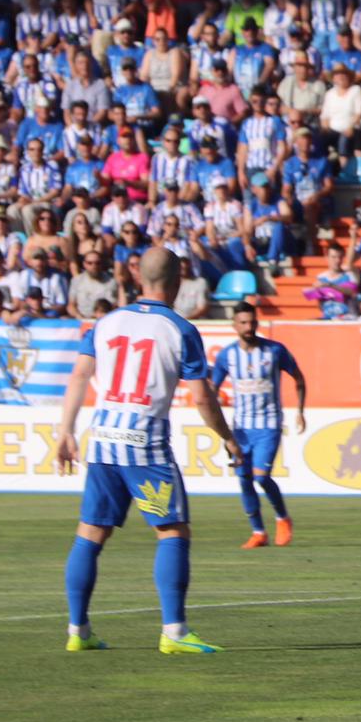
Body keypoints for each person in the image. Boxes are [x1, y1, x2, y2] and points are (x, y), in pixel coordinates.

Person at [54, 248, 241, 655]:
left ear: (138, 277)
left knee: (90, 532)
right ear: (178, 282)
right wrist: (227, 436)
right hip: (145, 444)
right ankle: (174, 632)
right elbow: (202, 399)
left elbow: (80, 375)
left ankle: (77, 630)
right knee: (172, 531)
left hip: (102, 438)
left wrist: (65, 432)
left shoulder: (106, 322)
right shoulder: (180, 329)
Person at [209, 302, 307, 549]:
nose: (248, 327)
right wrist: (219, 423)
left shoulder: (274, 351)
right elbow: (212, 390)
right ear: (234, 325)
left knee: (261, 477)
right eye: (243, 323)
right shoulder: (227, 356)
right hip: (241, 428)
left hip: (269, 424)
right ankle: (258, 532)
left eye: (252, 322)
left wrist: (300, 411)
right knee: (243, 478)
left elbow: (298, 378)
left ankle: (282, 518)